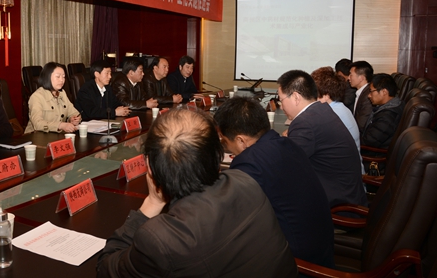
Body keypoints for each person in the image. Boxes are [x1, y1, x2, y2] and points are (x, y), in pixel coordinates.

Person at [97, 108, 297, 277]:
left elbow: (106, 268)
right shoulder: (246, 182)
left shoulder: (160, 238)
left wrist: (152, 203)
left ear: (149, 167)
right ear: (217, 157)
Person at [214, 97, 334, 268]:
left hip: (298, 263)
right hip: (322, 249)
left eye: (224, 141)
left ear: (241, 140)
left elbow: (230, 216)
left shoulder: (249, 162)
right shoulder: (287, 144)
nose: (225, 147)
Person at [278, 69, 367, 208]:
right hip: (345, 193)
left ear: (295, 97)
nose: (281, 106)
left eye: (281, 100)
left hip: (337, 205)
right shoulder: (321, 111)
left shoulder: (305, 122)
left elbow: (285, 166)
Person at [311, 66, 364, 174]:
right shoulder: (339, 108)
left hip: (343, 176)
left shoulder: (331, 115)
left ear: (326, 96)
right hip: (345, 170)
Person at [25, 62, 81, 133]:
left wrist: (73, 119)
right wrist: (60, 125)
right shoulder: (37, 97)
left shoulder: (62, 93)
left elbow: (74, 113)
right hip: (36, 136)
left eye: (63, 77)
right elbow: (38, 124)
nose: (62, 80)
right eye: (58, 77)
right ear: (47, 77)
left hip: (56, 135)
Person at [361, 73, 405, 155]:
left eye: (371, 91)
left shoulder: (388, 116)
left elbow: (368, 142)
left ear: (384, 92)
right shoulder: (393, 104)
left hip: (373, 156)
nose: (369, 95)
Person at [349, 60, 374, 132]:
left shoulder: (368, 96)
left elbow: (361, 124)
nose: (348, 78)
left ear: (361, 78)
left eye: (351, 75)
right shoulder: (362, 92)